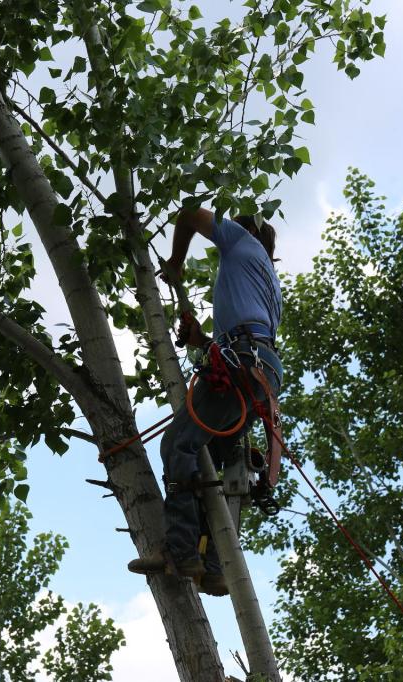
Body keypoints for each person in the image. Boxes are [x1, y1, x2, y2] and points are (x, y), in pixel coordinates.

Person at [127, 208, 284, 597]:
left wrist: (176, 262)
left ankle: (181, 551)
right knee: (208, 460)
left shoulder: (241, 241)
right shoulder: (268, 282)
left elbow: (189, 215)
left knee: (177, 444)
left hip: (243, 362)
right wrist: (201, 340)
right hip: (260, 371)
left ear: (246, 230)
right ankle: (213, 564)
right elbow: (248, 329)